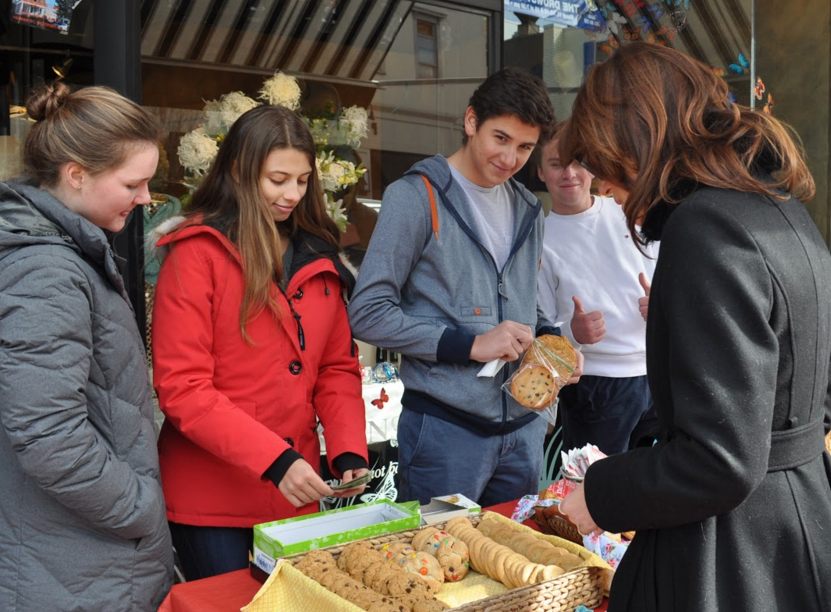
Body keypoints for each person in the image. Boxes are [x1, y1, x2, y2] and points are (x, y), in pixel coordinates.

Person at [558, 42, 831, 611]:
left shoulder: (704, 227)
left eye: (605, 165)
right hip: (800, 520)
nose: (604, 188)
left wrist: (602, 494)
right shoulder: (777, 207)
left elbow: (720, 461)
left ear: (635, 140)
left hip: (730, 553)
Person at [0, 83, 173, 611]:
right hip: (70, 564)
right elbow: (48, 434)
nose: (147, 198)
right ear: (76, 174)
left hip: (68, 557)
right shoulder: (43, 272)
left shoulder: (54, 254)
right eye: (134, 183)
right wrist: (140, 509)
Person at [151, 104, 369, 581]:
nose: (292, 194)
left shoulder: (318, 254)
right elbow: (183, 388)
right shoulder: (195, 253)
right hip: (212, 499)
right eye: (278, 180)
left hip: (294, 490)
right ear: (238, 171)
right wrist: (275, 459)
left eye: (303, 179)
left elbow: (336, 368)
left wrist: (349, 450)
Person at [348, 67, 581, 508]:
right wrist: (470, 344)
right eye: (500, 138)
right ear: (471, 121)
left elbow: (523, 307)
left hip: (523, 433)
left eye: (525, 147)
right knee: (442, 571)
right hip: (444, 433)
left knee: (514, 569)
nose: (511, 158)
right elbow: (368, 312)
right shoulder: (415, 196)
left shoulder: (529, 207)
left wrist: (555, 346)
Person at [535, 123, 658, 456]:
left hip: (659, 374)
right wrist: (572, 333)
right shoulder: (539, 241)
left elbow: (673, 271)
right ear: (541, 173)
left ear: (592, 168)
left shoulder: (630, 210)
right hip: (595, 385)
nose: (569, 173)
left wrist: (663, 303)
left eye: (577, 161)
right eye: (557, 164)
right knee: (596, 493)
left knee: (659, 496)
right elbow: (542, 328)